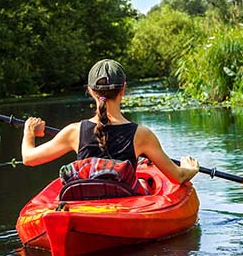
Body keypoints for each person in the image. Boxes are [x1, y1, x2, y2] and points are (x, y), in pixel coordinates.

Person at [21, 59, 200, 185]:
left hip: (87, 204)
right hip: (125, 205)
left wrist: (29, 132)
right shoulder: (142, 135)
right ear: (123, 89)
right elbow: (179, 177)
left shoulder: (74, 132)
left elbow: (29, 158)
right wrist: (190, 169)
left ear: (90, 91)